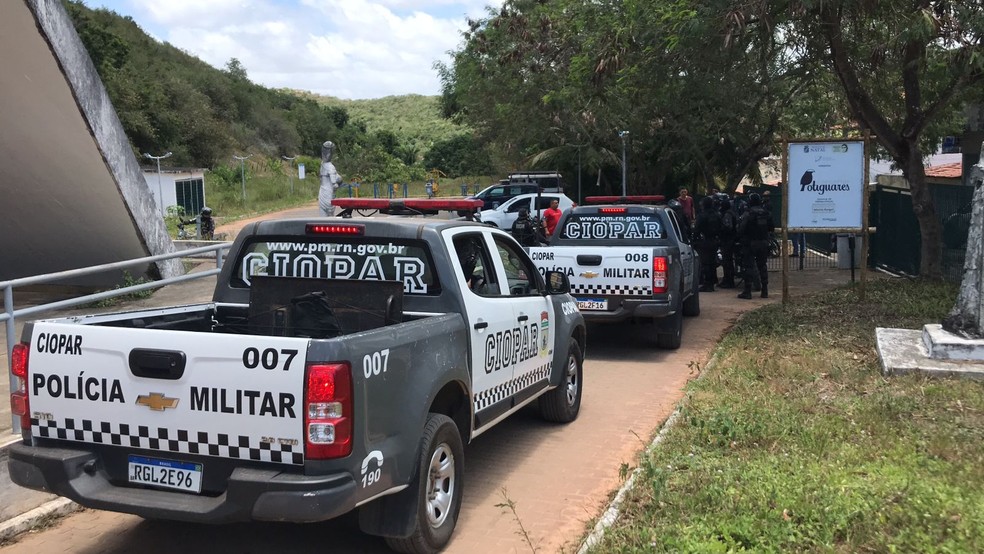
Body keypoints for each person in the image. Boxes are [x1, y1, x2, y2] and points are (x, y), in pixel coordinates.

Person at [736, 192, 775, 299]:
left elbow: (741, 229)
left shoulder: (748, 213)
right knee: (762, 266)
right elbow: (771, 228)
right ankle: (765, 291)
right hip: (763, 243)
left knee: (748, 267)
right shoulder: (766, 213)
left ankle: (747, 291)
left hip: (750, 243)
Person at [693, 196, 722, 292]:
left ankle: (708, 283)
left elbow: (697, 229)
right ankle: (713, 281)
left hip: (706, 241)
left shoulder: (702, 215)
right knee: (712, 262)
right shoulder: (717, 214)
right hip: (716, 240)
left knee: (706, 263)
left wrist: (693, 240)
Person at [717, 198, 738, 288]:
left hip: (727, 241)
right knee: (728, 261)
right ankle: (728, 280)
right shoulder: (733, 212)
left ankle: (728, 281)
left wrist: (720, 230)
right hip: (732, 240)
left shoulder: (727, 214)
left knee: (727, 261)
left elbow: (727, 227)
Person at [318, 140, 343, 216]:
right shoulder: (330, 167)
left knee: (322, 214)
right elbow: (334, 184)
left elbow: (320, 178)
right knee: (330, 215)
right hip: (329, 193)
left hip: (322, 191)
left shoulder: (322, 165)